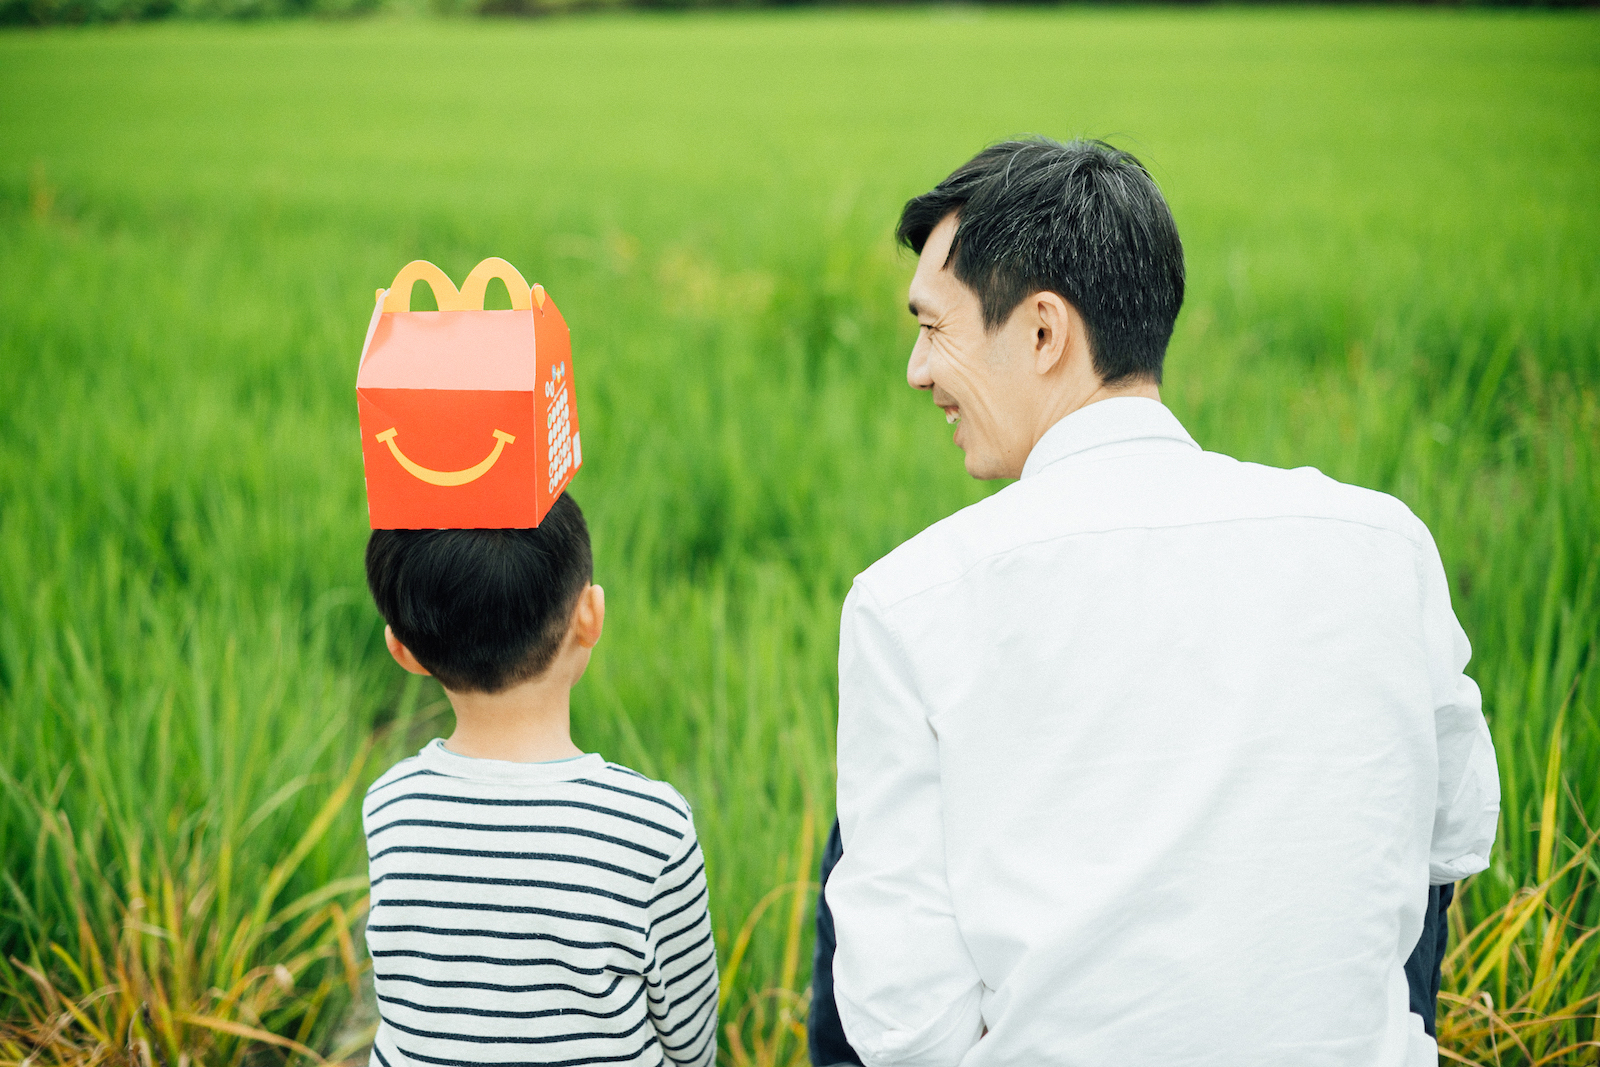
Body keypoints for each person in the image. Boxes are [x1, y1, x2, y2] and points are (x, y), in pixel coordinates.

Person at [810, 138, 1499, 1067]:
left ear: (1045, 332)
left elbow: (904, 1030)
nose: (917, 370)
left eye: (934, 328)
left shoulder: (912, 601)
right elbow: (1449, 841)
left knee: (863, 848)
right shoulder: (1381, 542)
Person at [361, 494, 718, 1067]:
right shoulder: (651, 827)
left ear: (402, 650)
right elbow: (690, 1037)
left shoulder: (392, 807)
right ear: (590, 616)